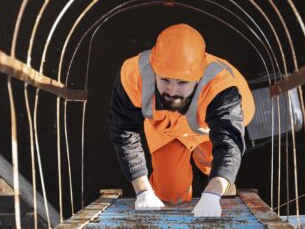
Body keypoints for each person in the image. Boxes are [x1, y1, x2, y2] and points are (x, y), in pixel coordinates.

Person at [108, 23, 255, 217]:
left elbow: (229, 143)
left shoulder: (221, 88)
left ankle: (206, 171)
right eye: (166, 79)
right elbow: (123, 131)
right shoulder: (133, 76)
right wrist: (143, 191)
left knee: (214, 167)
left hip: (209, 129)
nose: (172, 91)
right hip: (167, 128)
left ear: (198, 77)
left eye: (182, 82)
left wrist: (213, 193)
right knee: (170, 194)